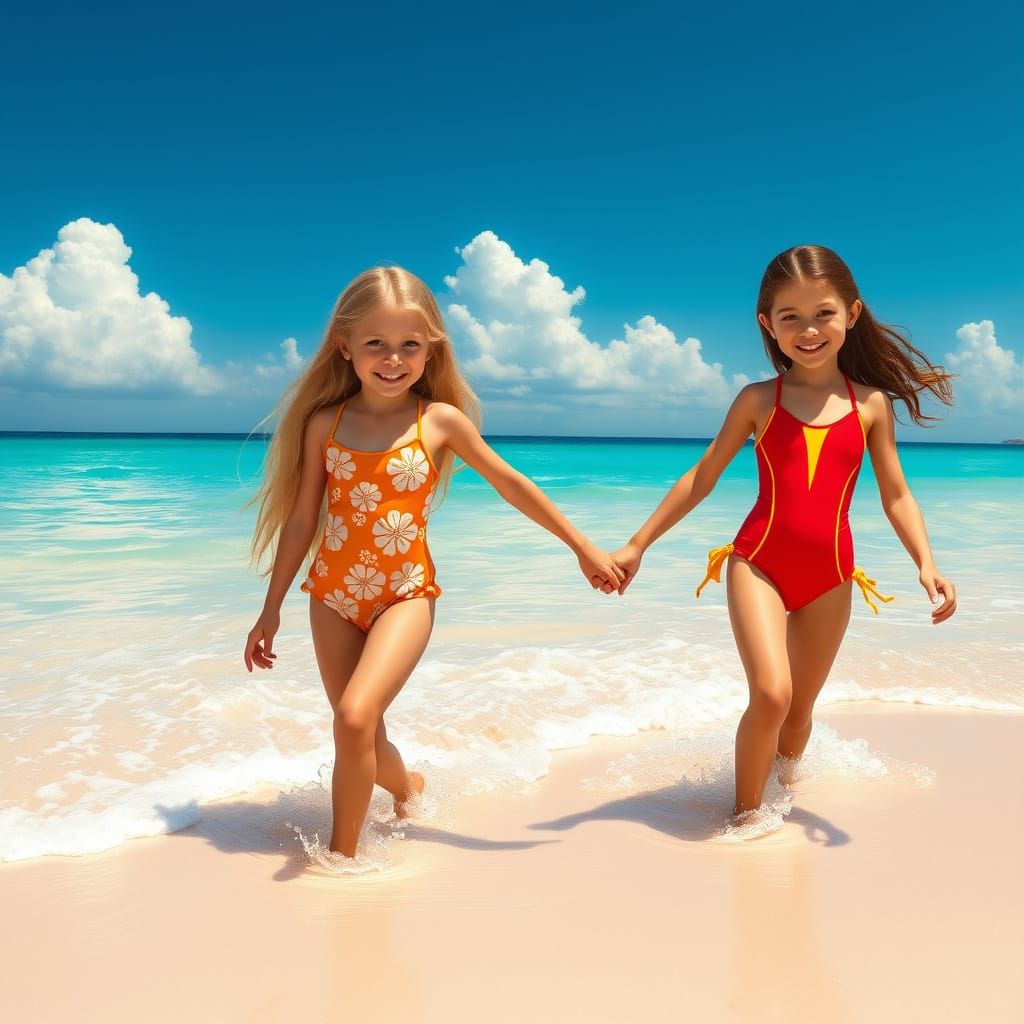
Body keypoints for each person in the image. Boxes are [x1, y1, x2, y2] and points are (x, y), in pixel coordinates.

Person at [243, 266, 623, 858]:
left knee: (351, 718)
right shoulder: (326, 424)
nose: (393, 359)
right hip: (332, 597)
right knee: (364, 733)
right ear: (345, 347)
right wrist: (270, 610)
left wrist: (582, 547)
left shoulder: (438, 421)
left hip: (406, 596)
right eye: (376, 344)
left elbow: (511, 484)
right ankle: (408, 786)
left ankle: (342, 861)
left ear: (430, 350)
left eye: (409, 346)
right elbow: (300, 521)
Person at [611, 245, 957, 820]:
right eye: (789, 317)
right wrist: (637, 543)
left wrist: (926, 561)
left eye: (822, 312)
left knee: (798, 713)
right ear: (766, 324)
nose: (808, 329)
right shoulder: (758, 400)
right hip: (759, 563)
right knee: (772, 694)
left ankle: (783, 793)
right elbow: (701, 476)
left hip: (832, 575)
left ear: (851, 313)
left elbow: (896, 493)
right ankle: (745, 820)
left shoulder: (871, 405)